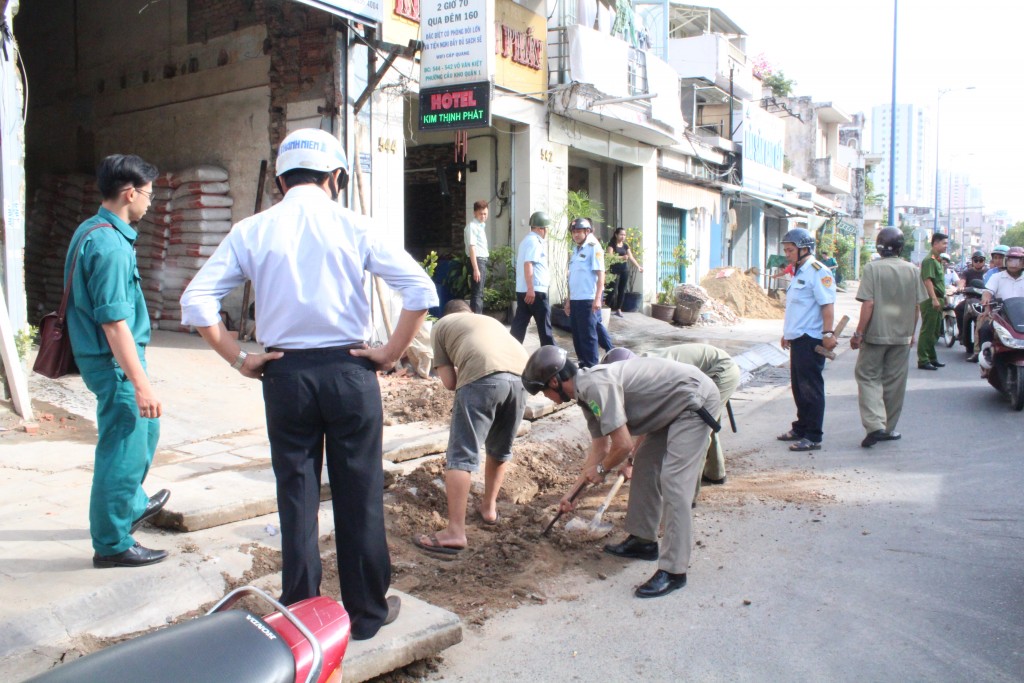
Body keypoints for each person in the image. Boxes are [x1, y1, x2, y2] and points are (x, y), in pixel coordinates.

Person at [180, 128, 437, 640]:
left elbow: (197, 302)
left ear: (279, 181)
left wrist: (240, 358)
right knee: (358, 492)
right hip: (349, 370)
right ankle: (365, 614)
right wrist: (388, 353)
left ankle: (302, 618)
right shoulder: (355, 225)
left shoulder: (252, 230)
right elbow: (420, 290)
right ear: (336, 177)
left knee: (295, 494)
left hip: (285, 373)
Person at [521, 346, 720, 598]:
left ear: (555, 381)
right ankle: (643, 541)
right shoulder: (585, 394)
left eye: (543, 390)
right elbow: (600, 449)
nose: (546, 397)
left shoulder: (594, 386)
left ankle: (674, 571)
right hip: (671, 407)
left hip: (693, 402)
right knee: (646, 465)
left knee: (674, 482)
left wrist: (603, 470)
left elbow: (623, 445)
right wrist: (571, 495)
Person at [66, 154, 170, 569]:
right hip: (113, 362)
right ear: (130, 193)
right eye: (148, 195)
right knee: (123, 446)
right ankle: (111, 542)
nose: (150, 202)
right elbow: (114, 324)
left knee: (145, 432)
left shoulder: (95, 229)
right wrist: (140, 383)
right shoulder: (109, 245)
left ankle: (130, 503)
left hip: (111, 359)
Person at [412, 300, 528, 556]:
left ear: (448, 314)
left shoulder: (441, 325)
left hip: (482, 375)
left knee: (461, 454)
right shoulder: (489, 321)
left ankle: (455, 532)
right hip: (521, 379)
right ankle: (489, 509)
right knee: (499, 448)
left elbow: (449, 382)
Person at [850, 227, 928, 448]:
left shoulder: (872, 268)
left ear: (878, 246)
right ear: (901, 247)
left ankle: (875, 425)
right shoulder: (913, 270)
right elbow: (916, 307)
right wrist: (911, 333)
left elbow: (869, 303)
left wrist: (858, 333)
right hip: (902, 336)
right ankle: (888, 428)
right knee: (895, 382)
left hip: (875, 334)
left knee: (867, 377)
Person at [637, 344, 740, 486]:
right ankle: (715, 472)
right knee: (706, 421)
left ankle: (687, 493)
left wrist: (633, 459)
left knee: (697, 429)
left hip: (721, 370)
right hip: (707, 370)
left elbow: (653, 422)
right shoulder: (638, 368)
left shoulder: (649, 374)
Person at [777, 228, 838, 452]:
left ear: (804, 249)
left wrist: (828, 333)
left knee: (810, 388)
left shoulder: (817, 271)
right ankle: (801, 426)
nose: (787, 254)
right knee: (798, 387)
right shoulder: (800, 272)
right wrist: (788, 333)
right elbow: (797, 308)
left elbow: (827, 305)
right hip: (798, 338)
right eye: (786, 250)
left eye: (790, 250)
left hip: (811, 339)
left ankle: (813, 435)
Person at [564, 218, 606, 368]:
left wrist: (598, 299)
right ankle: (583, 366)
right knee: (577, 336)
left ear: (587, 232)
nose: (575, 235)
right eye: (573, 232)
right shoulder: (576, 249)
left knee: (588, 336)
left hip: (588, 299)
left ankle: (592, 367)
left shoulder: (593, 247)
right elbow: (573, 277)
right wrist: (569, 300)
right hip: (576, 299)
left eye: (578, 232)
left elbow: (601, 274)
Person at [509, 211, 555, 347]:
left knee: (518, 327)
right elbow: (528, 264)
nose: (546, 231)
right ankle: (554, 362)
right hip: (535, 292)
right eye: (546, 228)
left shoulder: (526, 241)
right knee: (545, 329)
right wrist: (531, 289)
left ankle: (510, 353)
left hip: (525, 290)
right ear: (541, 228)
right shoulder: (534, 242)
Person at [977, 246, 1024, 372]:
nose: (1014, 264)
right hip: (1000, 315)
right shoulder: (996, 277)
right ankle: (987, 357)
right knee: (985, 329)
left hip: (1021, 316)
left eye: (1018, 260)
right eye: (1011, 260)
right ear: (1006, 261)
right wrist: (986, 301)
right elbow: (987, 292)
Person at [917, 233, 948, 371]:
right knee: (928, 330)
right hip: (931, 299)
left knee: (935, 331)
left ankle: (932, 358)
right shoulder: (929, 260)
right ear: (935, 244)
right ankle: (923, 359)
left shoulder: (937, 259)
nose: (946, 246)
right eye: (943, 243)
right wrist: (935, 298)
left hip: (938, 298)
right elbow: (927, 280)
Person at [956, 250, 988, 360]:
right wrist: (960, 287)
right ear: (972, 261)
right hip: (970, 299)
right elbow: (962, 281)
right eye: (976, 260)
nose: (978, 262)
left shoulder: (988, 272)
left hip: (985, 301)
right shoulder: (967, 272)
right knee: (958, 308)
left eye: (981, 260)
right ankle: (961, 334)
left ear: (984, 261)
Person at [606, 227, 643, 317]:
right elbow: (609, 256)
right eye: (621, 234)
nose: (623, 236)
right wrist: (621, 257)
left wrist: (638, 266)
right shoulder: (612, 245)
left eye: (624, 235)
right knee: (612, 290)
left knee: (622, 290)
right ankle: (606, 307)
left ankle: (619, 309)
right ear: (616, 234)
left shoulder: (625, 245)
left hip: (624, 269)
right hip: (614, 270)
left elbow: (631, 257)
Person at [465, 199, 490, 314]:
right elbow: (472, 248)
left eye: (485, 213)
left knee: (479, 293)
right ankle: (476, 320)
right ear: (475, 213)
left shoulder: (480, 226)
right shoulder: (473, 227)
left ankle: (476, 318)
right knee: (477, 294)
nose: (483, 216)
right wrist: (476, 269)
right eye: (481, 214)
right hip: (477, 261)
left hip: (481, 261)